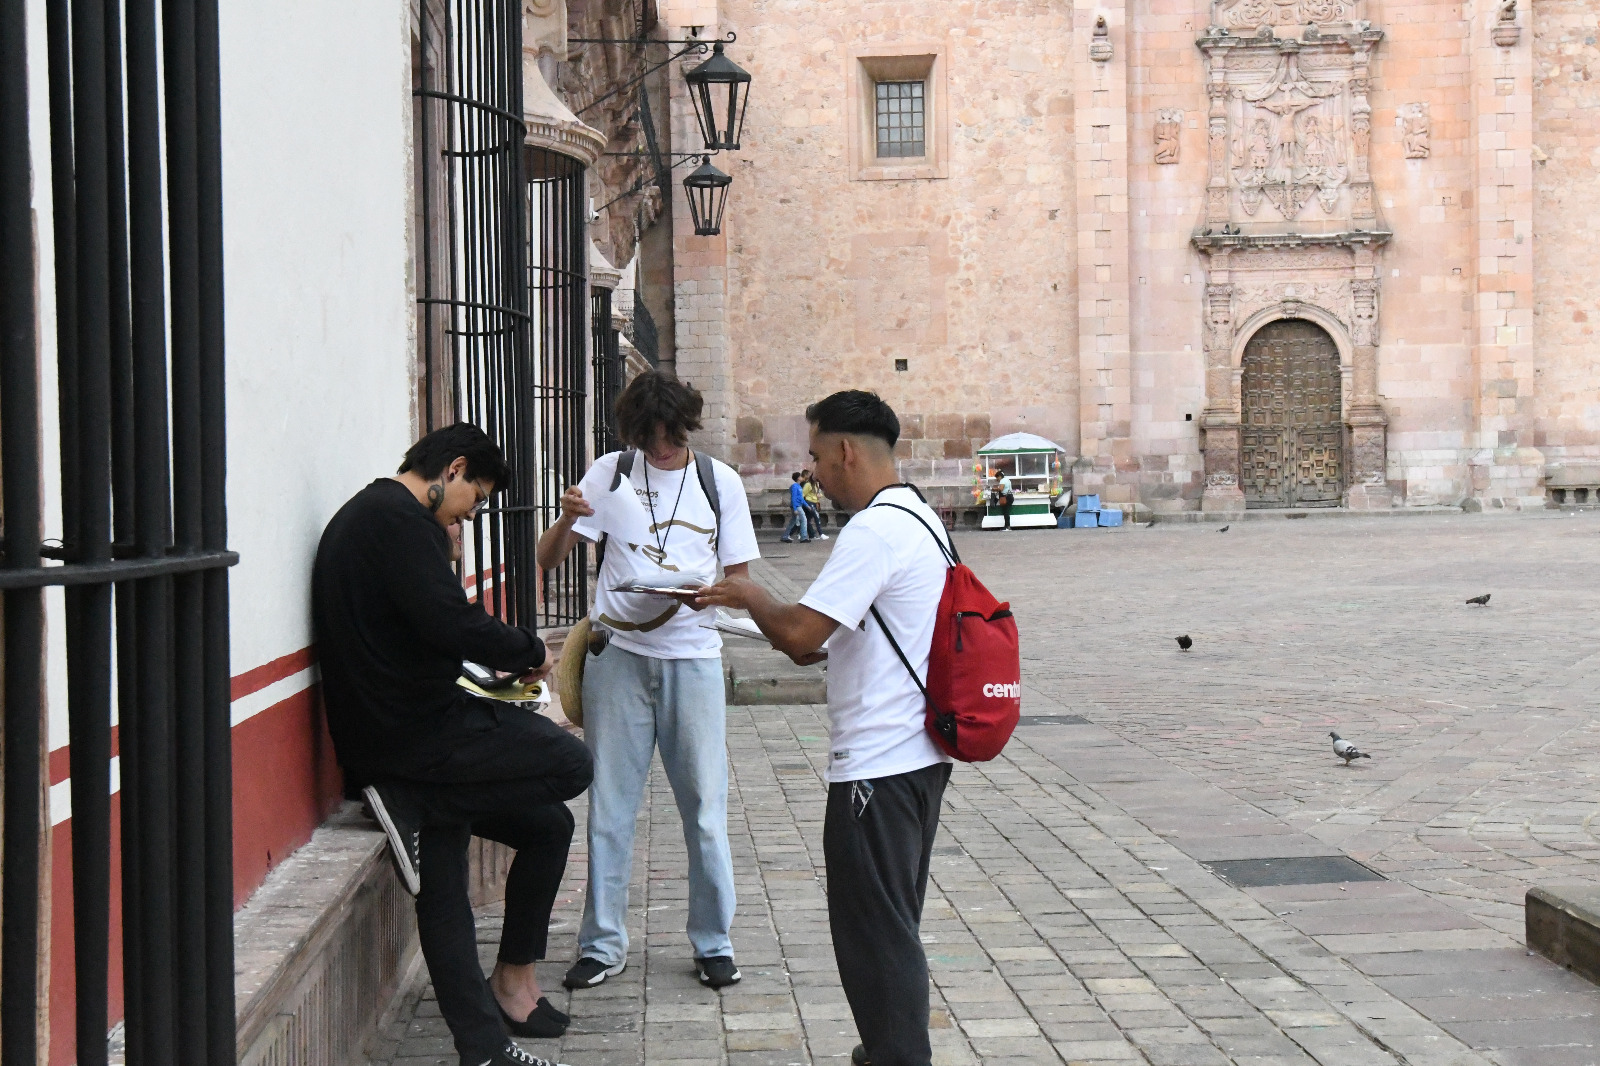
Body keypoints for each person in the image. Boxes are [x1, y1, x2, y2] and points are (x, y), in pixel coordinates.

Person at [313, 422, 594, 1066]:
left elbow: (421, 628)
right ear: (454, 469)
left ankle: (487, 1038)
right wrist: (527, 650)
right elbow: (447, 620)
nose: (473, 510)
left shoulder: (382, 518)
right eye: (477, 496)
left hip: (403, 743)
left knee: (543, 827)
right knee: (570, 761)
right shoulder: (395, 520)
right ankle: (422, 799)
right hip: (411, 736)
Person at [696, 390, 953, 1066]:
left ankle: (899, 1057)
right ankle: (887, 1053)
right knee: (890, 924)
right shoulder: (921, 517)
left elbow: (802, 634)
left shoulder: (873, 530)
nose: (812, 473)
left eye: (814, 458)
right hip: (918, 758)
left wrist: (751, 593)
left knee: (877, 937)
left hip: (878, 763)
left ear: (844, 451)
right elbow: (817, 647)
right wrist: (754, 615)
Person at [535, 370, 760, 991]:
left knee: (705, 810)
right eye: (648, 437)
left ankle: (714, 941)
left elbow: (739, 579)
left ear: (685, 426)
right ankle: (601, 944)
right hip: (618, 656)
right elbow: (548, 558)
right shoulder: (611, 471)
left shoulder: (720, 483)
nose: (658, 449)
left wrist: (710, 596)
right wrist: (564, 519)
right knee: (609, 808)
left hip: (692, 657)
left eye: (668, 436)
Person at [781, 471, 811, 543]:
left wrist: (806, 505)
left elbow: (801, 498)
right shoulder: (795, 486)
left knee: (793, 522)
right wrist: (795, 508)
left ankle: (785, 536)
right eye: (800, 476)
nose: (802, 477)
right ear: (798, 478)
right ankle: (803, 537)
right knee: (803, 519)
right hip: (797, 506)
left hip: (798, 505)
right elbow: (794, 498)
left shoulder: (798, 486)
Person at [801, 470, 829, 541]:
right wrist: (805, 504)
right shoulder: (808, 484)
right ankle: (821, 534)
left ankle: (811, 535)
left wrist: (819, 495)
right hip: (809, 502)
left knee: (807, 520)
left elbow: (818, 493)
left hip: (814, 502)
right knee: (816, 517)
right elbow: (802, 495)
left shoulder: (816, 484)